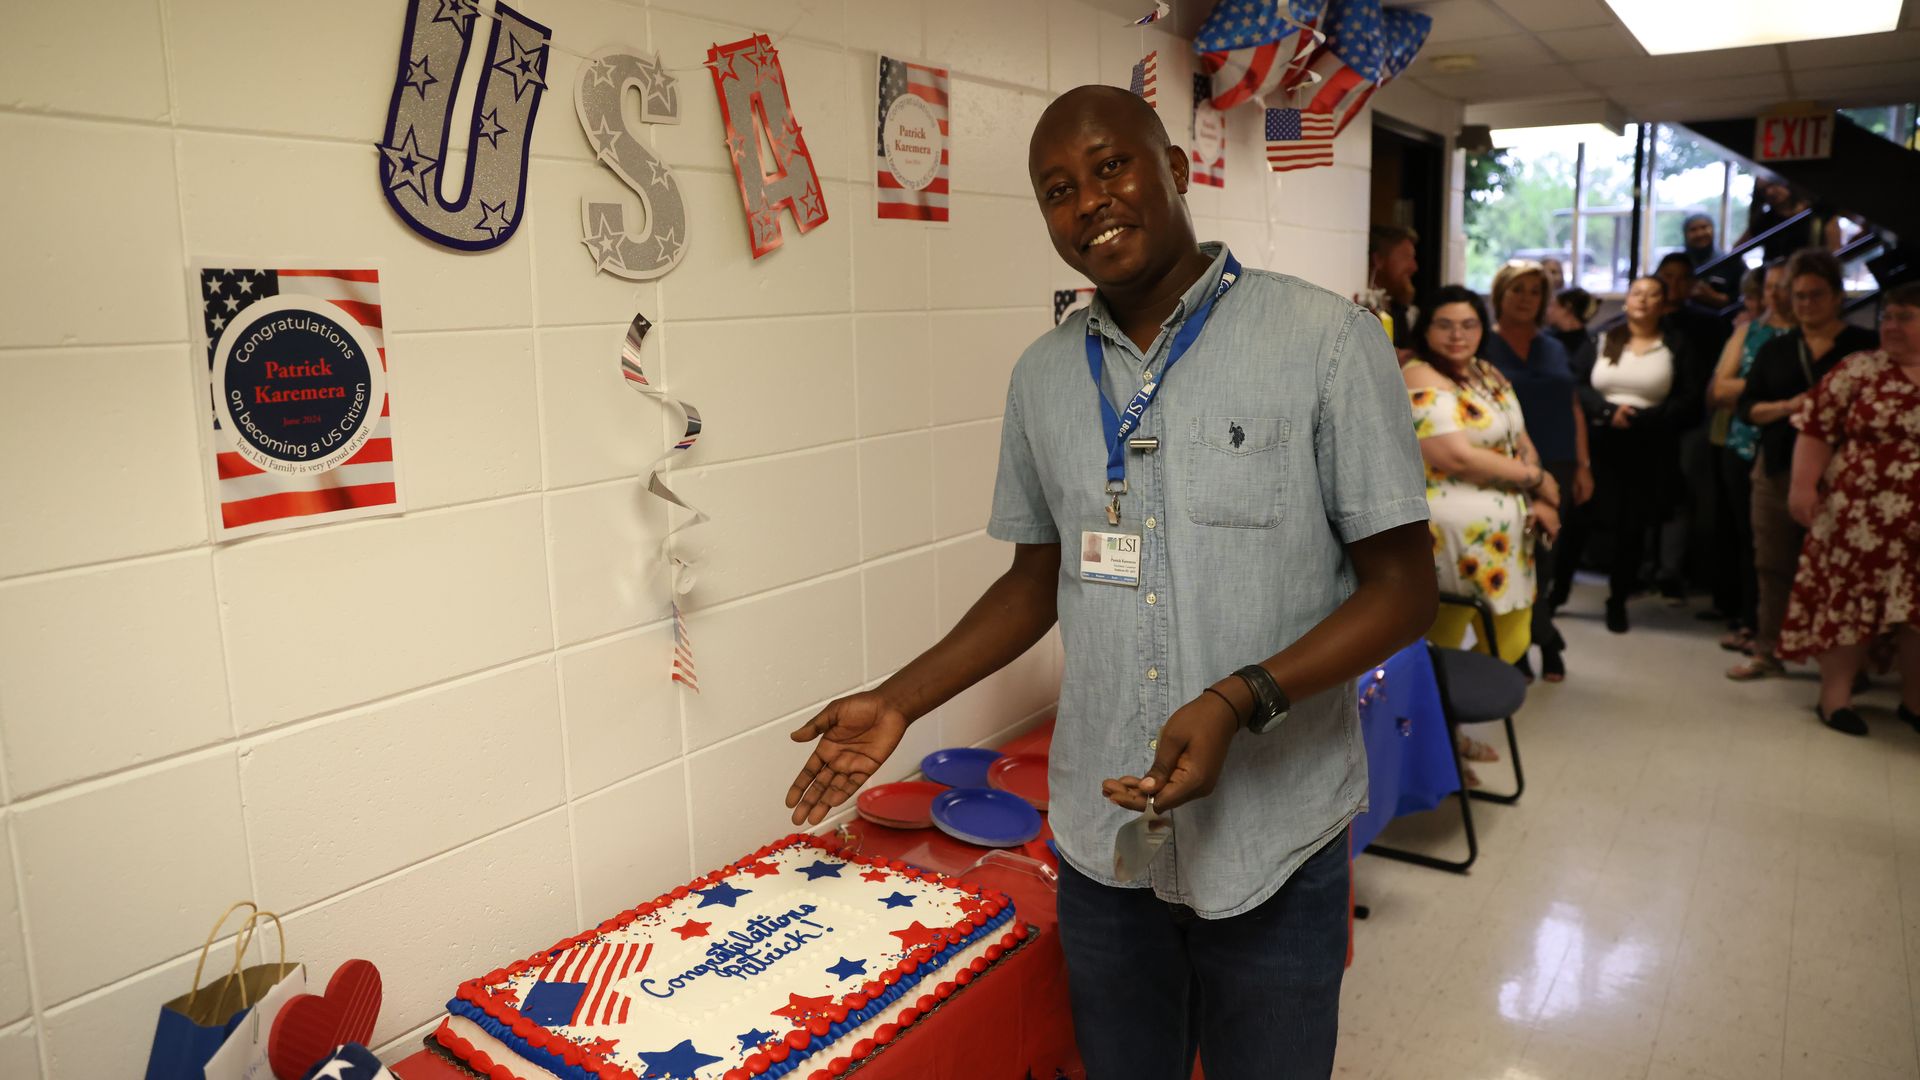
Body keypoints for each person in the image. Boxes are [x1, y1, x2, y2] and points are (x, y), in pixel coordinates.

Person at [786, 86, 1437, 1079]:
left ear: (1174, 168)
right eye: (1057, 190)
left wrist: (1239, 698)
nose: (1087, 200)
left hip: (1274, 832)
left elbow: (1403, 590)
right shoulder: (1043, 379)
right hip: (1106, 844)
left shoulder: (1323, 342)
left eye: (1109, 167)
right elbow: (1031, 582)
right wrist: (897, 702)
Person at [1778, 282, 1920, 735]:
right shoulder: (1858, 369)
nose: (1892, 327)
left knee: (1915, 613)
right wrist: (1802, 487)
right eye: (1888, 317)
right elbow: (1815, 428)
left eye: (1906, 318)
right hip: (1856, 517)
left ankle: (1914, 702)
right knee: (1847, 606)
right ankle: (1835, 699)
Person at [1733, 247, 1878, 679]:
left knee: (1847, 571)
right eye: (1799, 297)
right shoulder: (1777, 349)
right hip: (1777, 466)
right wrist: (1789, 406)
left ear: (1836, 296)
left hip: (1847, 476)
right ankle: (1768, 649)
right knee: (1773, 562)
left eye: (1816, 295)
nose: (1807, 305)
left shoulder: (1863, 348)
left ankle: (1850, 662)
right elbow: (1747, 408)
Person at [1556, 276, 1703, 632]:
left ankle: (1617, 600)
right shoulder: (1605, 338)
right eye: (1638, 293)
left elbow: (1689, 399)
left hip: (1648, 446)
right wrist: (1607, 412)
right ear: (1626, 300)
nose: (1644, 300)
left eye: (1654, 294)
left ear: (1663, 304)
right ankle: (1557, 593)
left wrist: (1646, 417)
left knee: (1631, 527)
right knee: (1579, 519)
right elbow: (1576, 384)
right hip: (1598, 442)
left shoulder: (1676, 344)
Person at [1483, 262, 1589, 682]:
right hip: (1505, 465)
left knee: (1548, 557)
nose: (1526, 298)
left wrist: (1583, 465)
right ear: (1500, 297)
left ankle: (1533, 638)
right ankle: (1543, 640)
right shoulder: (1481, 348)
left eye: (1534, 292)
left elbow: (1574, 406)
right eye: (1517, 290)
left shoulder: (1554, 347)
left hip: (1558, 461)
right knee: (1516, 558)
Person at [1708, 260, 1792, 660]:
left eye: (1784, 286)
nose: (1776, 295)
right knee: (1748, 541)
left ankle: (1783, 630)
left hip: (1790, 451)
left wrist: (1754, 391)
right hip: (1742, 446)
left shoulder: (1804, 338)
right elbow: (1719, 390)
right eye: (1770, 287)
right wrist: (1775, 389)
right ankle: (1750, 621)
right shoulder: (1749, 330)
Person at [1653, 251, 1731, 602]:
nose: (1673, 284)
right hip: (1646, 422)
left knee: (1683, 496)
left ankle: (1673, 571)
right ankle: (1644, 565)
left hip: (1691, 420)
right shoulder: (1644, 320)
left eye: (1682, 277)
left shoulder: (1709, 323)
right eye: (1666, 276)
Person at [1367, 224, 1419, 355]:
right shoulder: (1365, 310)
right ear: (1378, 259)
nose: (1414, 267)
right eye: (1406, 257)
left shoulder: (1400, 309)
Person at [1682, 212, 1739, 308]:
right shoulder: (1679, 263)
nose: (1700, 234)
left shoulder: (1730, 262)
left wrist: (1714, 297)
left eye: (1704, 227)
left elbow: (1743, 296)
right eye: (1693, 230)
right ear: (1685, 234)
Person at [1545, 286, 1598, 360]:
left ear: (1567, 309)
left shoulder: (1582, 350)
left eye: (1553, 305)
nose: (1547, 311)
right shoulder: (1548, 334)